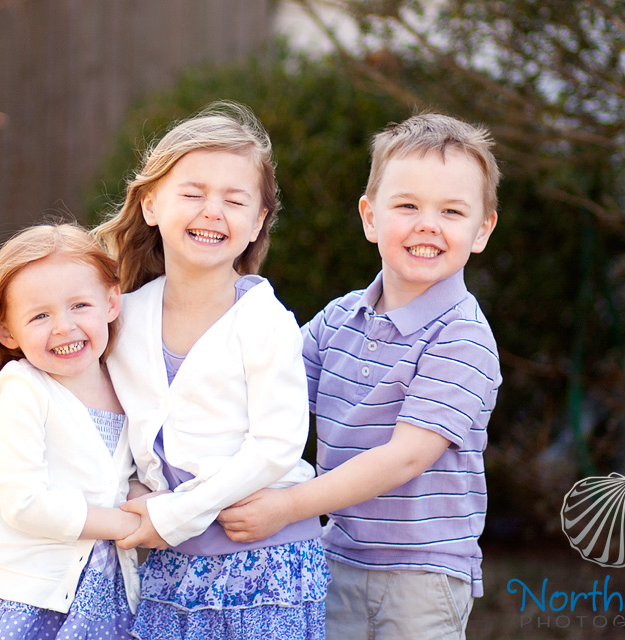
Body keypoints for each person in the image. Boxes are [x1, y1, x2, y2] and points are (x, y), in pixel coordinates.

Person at [218, 113, 502, 640]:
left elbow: (405, 457)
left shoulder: (462, 336)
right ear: (370, 218)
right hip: (337, 555)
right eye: (407, 205)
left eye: (451, 211)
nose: (428, 224)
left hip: (423, 573)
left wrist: (287, 507)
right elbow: (265, 388)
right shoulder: (338, 320)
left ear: (481, 230)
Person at [95, 102, 329, 640]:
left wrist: (176, 513)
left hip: (265, 563)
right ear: (151, 204)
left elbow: (277, 445)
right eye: (193, 193)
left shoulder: (264, 319)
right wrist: (132, 485)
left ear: (258, 222)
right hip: (166, 562)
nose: (212, 212)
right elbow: (99, 409)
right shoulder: (122, 317)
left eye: (235, 200)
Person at [0, 222, 141, 640]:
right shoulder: (23, 387)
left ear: (112, 302)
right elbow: (24, 504)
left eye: (80, 305)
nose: (63, 327)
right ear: (8, 331)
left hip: (99, 596)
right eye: (40, 315)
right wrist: (124, 525)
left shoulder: (126, 383)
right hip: (21, 596)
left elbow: (117, 480)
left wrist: (145, 502)